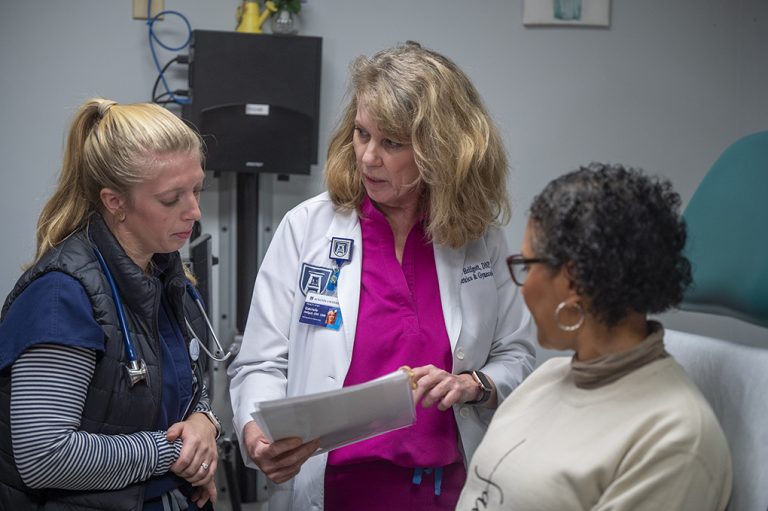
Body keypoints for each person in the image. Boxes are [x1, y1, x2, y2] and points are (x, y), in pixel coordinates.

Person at [228, 41, 536, 510]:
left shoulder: (478, 239)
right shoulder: (307, 227)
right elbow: (261, 363)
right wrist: (256, 435)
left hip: (446, 490)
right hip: (334, 491)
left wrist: (476, 385)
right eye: (361, 134)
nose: (368, 157)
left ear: (441, 151)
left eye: (391, 143)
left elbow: (517, 354)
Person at [457, 163, 732, 510]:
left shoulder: (674, 441)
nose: (523, 289)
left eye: (527, 266)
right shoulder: (547, 378)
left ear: (572, 281)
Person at [0, 98, 222, 510]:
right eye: (172, 198)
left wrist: (205, 424)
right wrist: (175, 454)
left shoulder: (165, 275)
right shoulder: (61, 297)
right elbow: (45, 457)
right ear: (114, 201)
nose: (194, 211)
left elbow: (183, 392)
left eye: (197, 189)